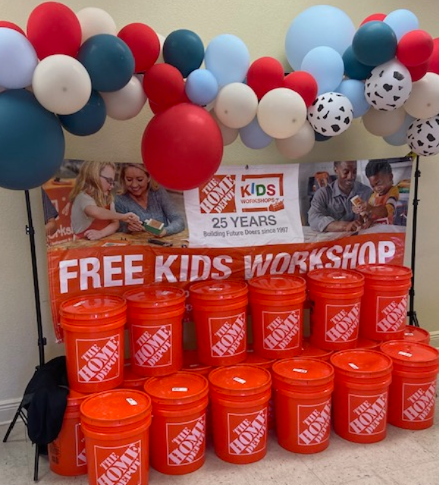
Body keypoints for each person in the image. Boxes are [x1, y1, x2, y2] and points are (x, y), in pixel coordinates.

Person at [69, 161, 140, 240]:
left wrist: (101, 233)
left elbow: (115, 224)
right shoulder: (82, 197)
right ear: (94, 176)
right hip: (81, 245)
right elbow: (95, 212)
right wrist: (122, 216)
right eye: (109, 181)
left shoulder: (108, 199)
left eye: (113, 182)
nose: (112, 186)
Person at [115, 163, 185, 236]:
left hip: (161, 243)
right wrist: (128, 228)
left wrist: (165, 231)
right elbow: (119, 229)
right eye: (129, 180)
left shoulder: (158, 192)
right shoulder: (120, 200)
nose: (134, 185)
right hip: (136, 245)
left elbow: (179, 220)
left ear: (148, 178)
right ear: (123, 179)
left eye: (140, 180)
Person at [308, 160, 373, 232]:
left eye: (354, 171)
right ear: (336, 170)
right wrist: (344, 226)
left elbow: (377, 215)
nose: (351, 176)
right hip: (334, 241)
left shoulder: (366, 191)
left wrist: (368, 217)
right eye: (346, 172)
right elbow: (313, 219)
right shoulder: (323, 194)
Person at [353, 160, 400, 226]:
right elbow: (368, 215)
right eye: (373, 186)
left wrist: (370, 208)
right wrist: (361, 210)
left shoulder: (394, 192)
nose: (376, 188)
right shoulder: (374, 195)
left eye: (379, 183)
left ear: (390, 177)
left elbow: (387, 211)